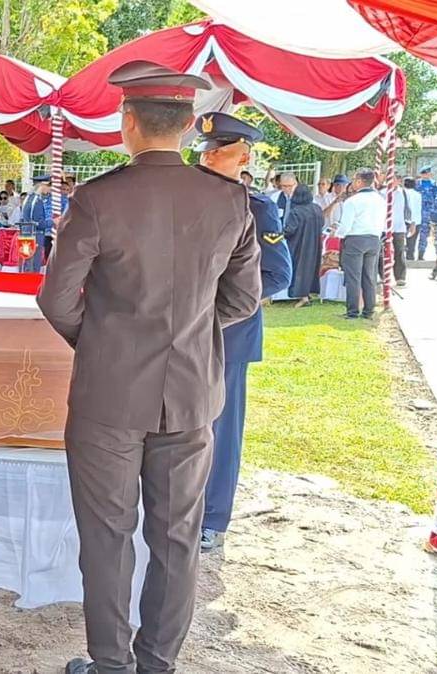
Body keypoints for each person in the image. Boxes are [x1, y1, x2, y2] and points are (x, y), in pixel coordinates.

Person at [38, 61, 261, 674]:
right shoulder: (230, 199)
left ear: (127, 122)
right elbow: (242, 300)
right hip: (190, 396)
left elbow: (57, 298)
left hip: (109, 397)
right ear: (191, 125)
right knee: (177, 536)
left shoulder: (99, 197)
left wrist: (104, 343)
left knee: (107, 537)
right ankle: (157, 664)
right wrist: (185, 336)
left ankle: (111, 664)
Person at [191, 112, 291, 554]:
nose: (209, 156)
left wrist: (218, 305)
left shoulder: (256, 207)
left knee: (220, 428)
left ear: (243, 157)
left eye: (221, 150)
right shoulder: (186, 198)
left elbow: (278, 274)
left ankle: (212, 517)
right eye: (206, 149)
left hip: (228, 336)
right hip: (182, 334)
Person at [332, 168, 387, 319]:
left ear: (359, 181)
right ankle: (369, 310)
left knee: (353, 277)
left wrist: (338, 234)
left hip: (355, 239)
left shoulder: (352, 201)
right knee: (369, 276)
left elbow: (346, 225)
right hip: (374, 238)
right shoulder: (380, 200)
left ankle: (353, 311)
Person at [281, 185, 324, 307]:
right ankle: (309, 293)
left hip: (299, 245)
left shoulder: (296, 211)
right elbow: (322, 224)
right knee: (311, 269)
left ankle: (303, 296)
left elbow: (290, 230)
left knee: (299, 269)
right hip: (315, 245)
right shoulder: (317, 209)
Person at [385, 176, 415, 286]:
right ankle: (382, 276)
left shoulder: (403, 193)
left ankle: (400, 277)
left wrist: (411, 223)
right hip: (384, 227)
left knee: (399, 251)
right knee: (382, 253)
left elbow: (409, 209)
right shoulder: (383, 192)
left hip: (399, 227)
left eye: (396, 179)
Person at [21, 176, 55, 266]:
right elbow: (38, 223)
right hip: (34, 235)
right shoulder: (36, 200)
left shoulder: (29, 197)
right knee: (33, 265)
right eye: (49, 186)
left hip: (28, 234)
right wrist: (54, 222)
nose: (50, 190)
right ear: (43, 185)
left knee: (29, 264)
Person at [413, 167, 437, 261]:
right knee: (418, 234)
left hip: (432, 213)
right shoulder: (416, 184)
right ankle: (417, 254)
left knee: (433, 234)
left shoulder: (435, 185)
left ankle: (436, 255)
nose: (426, 175)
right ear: (422, 174)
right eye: (424, 173)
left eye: (428, 173)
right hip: (418, 212)